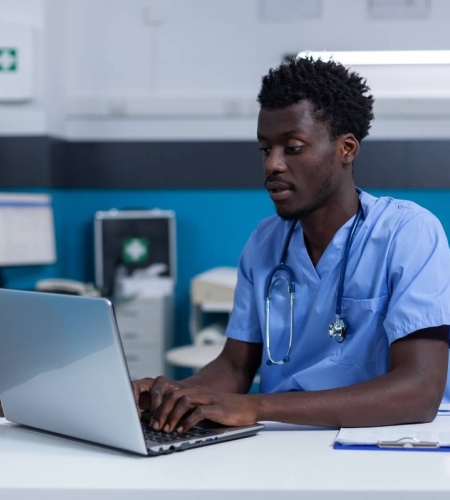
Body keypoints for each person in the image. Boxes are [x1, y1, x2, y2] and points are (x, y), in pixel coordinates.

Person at [133, 55, 450, 433]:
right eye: (265, 149)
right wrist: (174, 394)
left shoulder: (408, 233)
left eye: (293, 147)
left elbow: (419, 391)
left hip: (382, 441)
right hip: (283, 444)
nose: (272, 165)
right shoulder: (265, 243)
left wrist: (254, 407)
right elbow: (236, 367)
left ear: (346, 149)